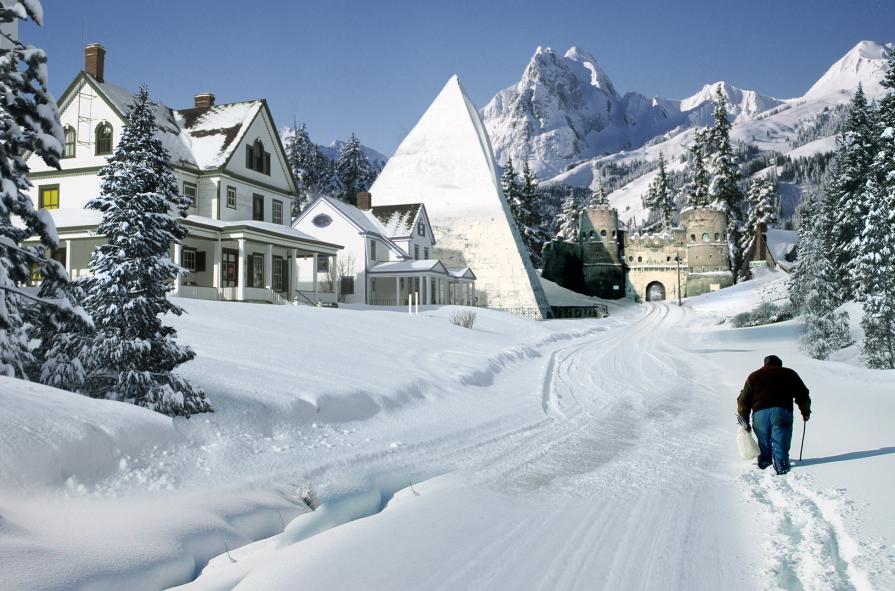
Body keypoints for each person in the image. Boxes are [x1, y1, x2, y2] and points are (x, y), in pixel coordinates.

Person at [736, 355, 811, 475]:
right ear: (779, 363)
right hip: (781, 411)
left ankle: (765, 466)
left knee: (764, 442)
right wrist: (805, 412)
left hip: (760, 414)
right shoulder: (789, 373)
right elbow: (803, 394)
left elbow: (743, 400)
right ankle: (782, 468)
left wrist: (744, 419)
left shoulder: (754, 376)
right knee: (781, 442)